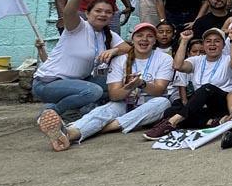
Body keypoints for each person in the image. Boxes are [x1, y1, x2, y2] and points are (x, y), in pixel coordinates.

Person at [38, 23, 175, 151]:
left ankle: (103, 128)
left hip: (150, 104)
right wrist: (128, 87)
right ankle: (69, 134)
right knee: (104, 110)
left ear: (155, 40)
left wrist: (141, 84)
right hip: (125, 102)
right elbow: (115, 95)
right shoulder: (120, 60)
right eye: (139, 35)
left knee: (164, 102)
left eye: (149, 36)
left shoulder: (164, 59)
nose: (144, 39)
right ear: (132, 39)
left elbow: (159, 90)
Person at [33, 0, 128, 148]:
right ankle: (53, 111)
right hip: (48, 83)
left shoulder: (107, 34)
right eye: (98, 11)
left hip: (78, 81)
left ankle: (65, 111)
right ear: (87, 13)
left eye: (108, 12)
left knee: (112, 83)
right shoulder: (78, 27)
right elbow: (68, 12)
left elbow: (128, 47)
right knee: (94, 90)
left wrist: (113, 51)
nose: (103, 15)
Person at [143, 27, 232, 139]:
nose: (212, 44)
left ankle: (171, 123)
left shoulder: (227, 59)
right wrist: (184, 41)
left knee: (206, 88)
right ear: (203, 45)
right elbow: (177, 66)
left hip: (221, 102)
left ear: (223, 45)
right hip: (201, 103)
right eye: (208, 41)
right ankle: (211, 122)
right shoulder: (197, 60)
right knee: (171, 110)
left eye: (217, 41)